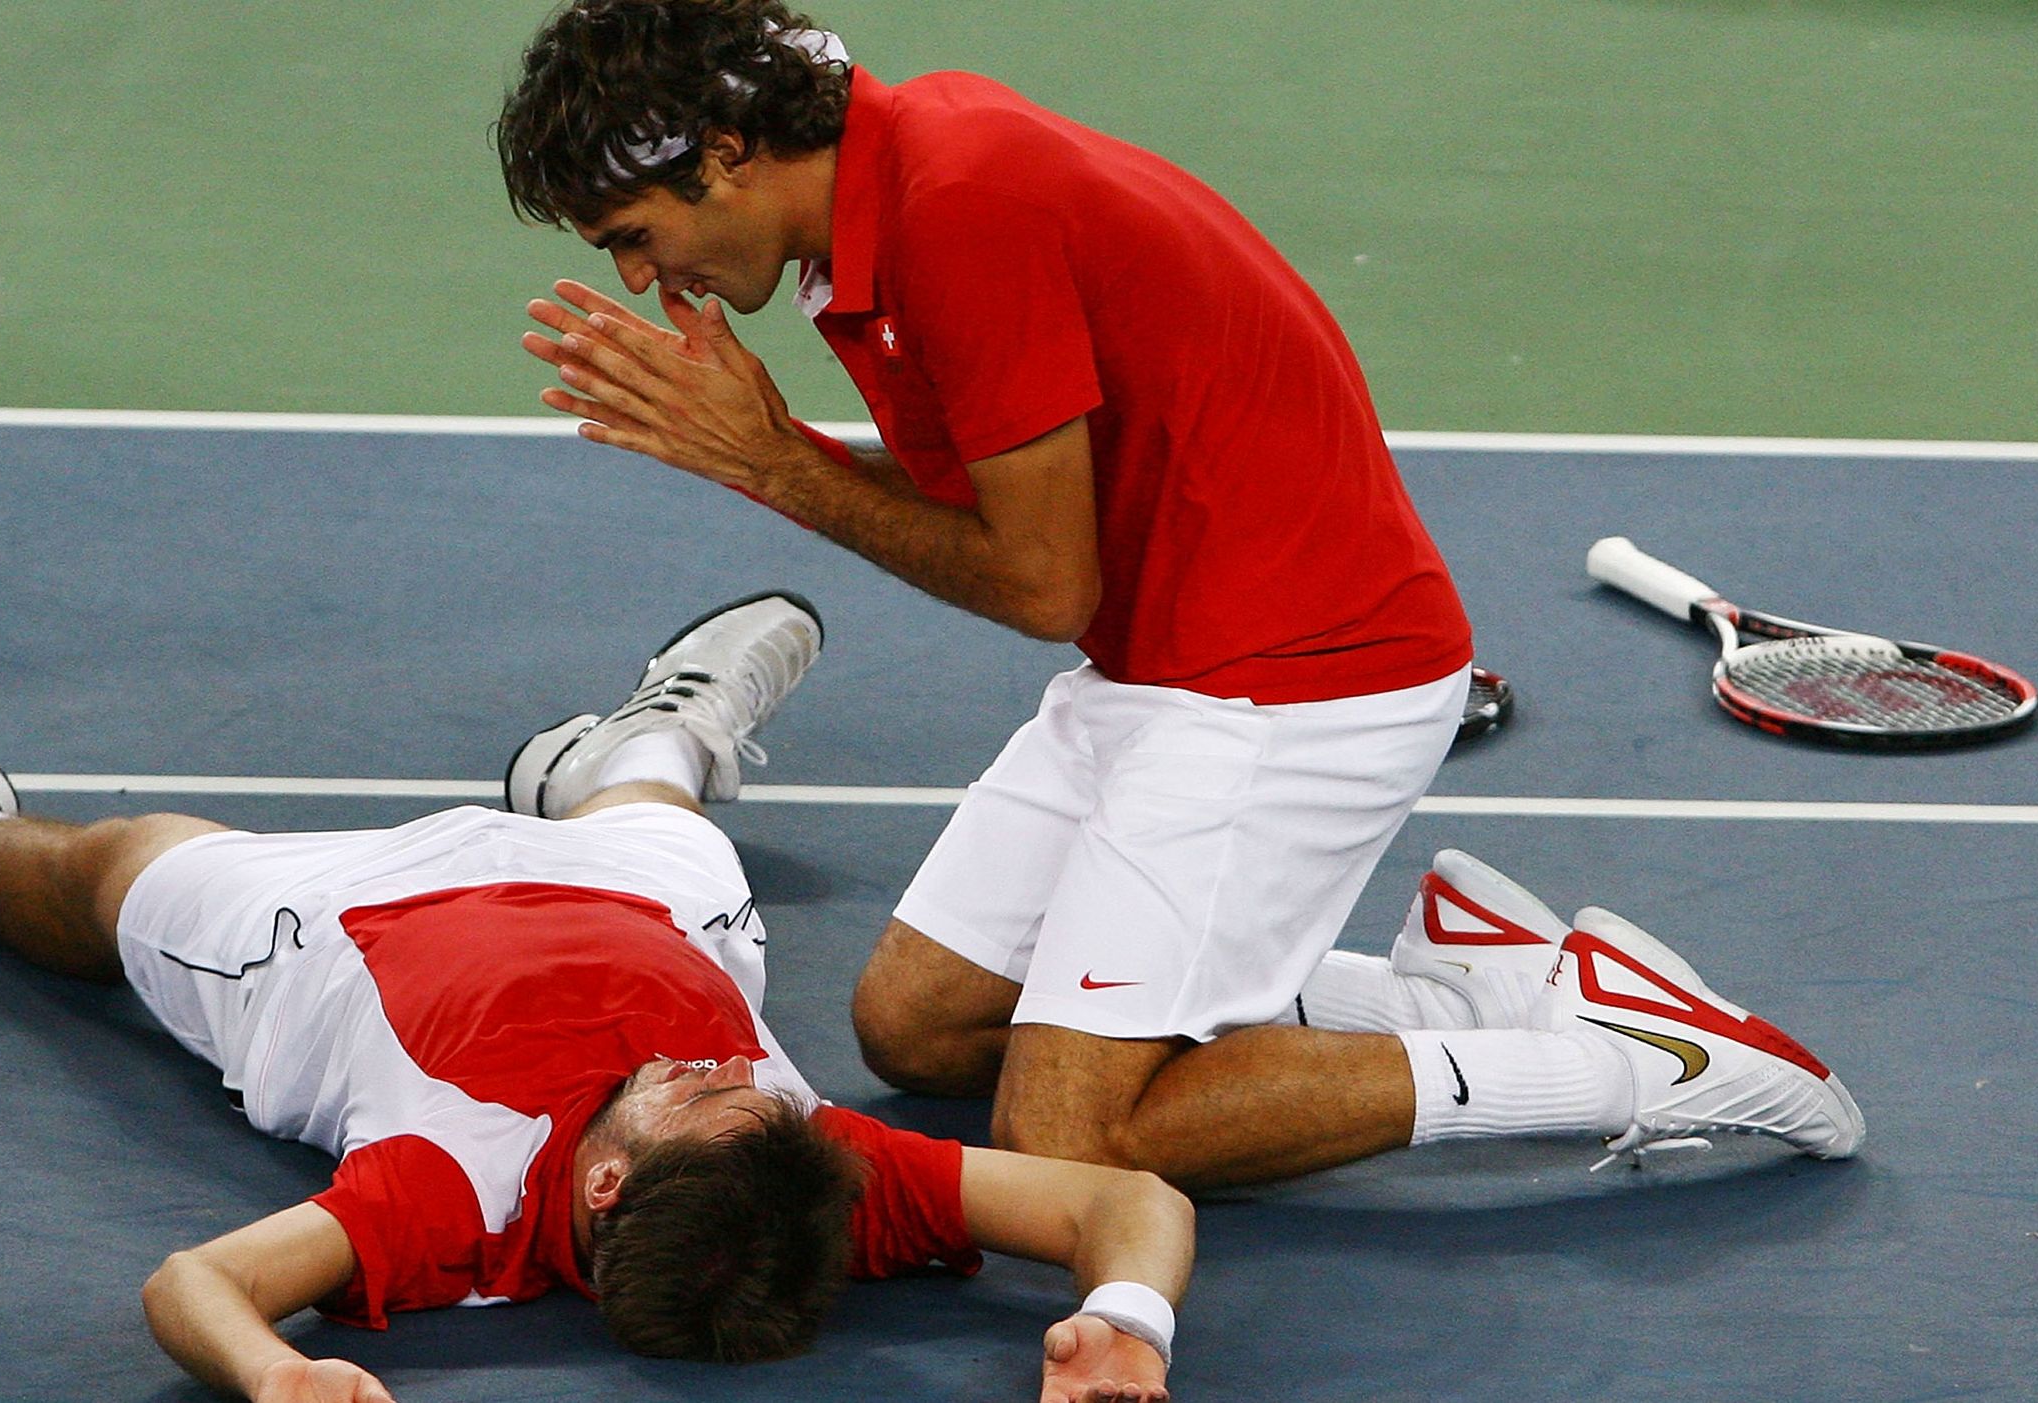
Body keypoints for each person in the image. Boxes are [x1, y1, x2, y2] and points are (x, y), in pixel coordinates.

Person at [492, 0, 1863, 1188]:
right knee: (919, 1030)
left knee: (1071, 1141)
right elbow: (1023, 528)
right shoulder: (905, 173)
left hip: (1292, 683)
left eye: (630, 231)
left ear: (723, 156)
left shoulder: (959, 208)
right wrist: (775, 456)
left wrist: (776, 466)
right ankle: (1464, 980)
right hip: (1164, 661)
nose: (633, 274)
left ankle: (1640, 1063)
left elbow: (1036, 582)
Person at [0, 592, 1194, 1403]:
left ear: (600, 1182)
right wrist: (1124, 1323)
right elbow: (1121, 1202)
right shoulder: (801, 1180)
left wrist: (275, 1374)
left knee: (105, 872)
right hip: (635, 908)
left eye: (707, 1094)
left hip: (324, 927)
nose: (731, 1071)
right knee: (678, 844)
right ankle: (645, 741)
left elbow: (191, 1285)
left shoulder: (444, 1193)